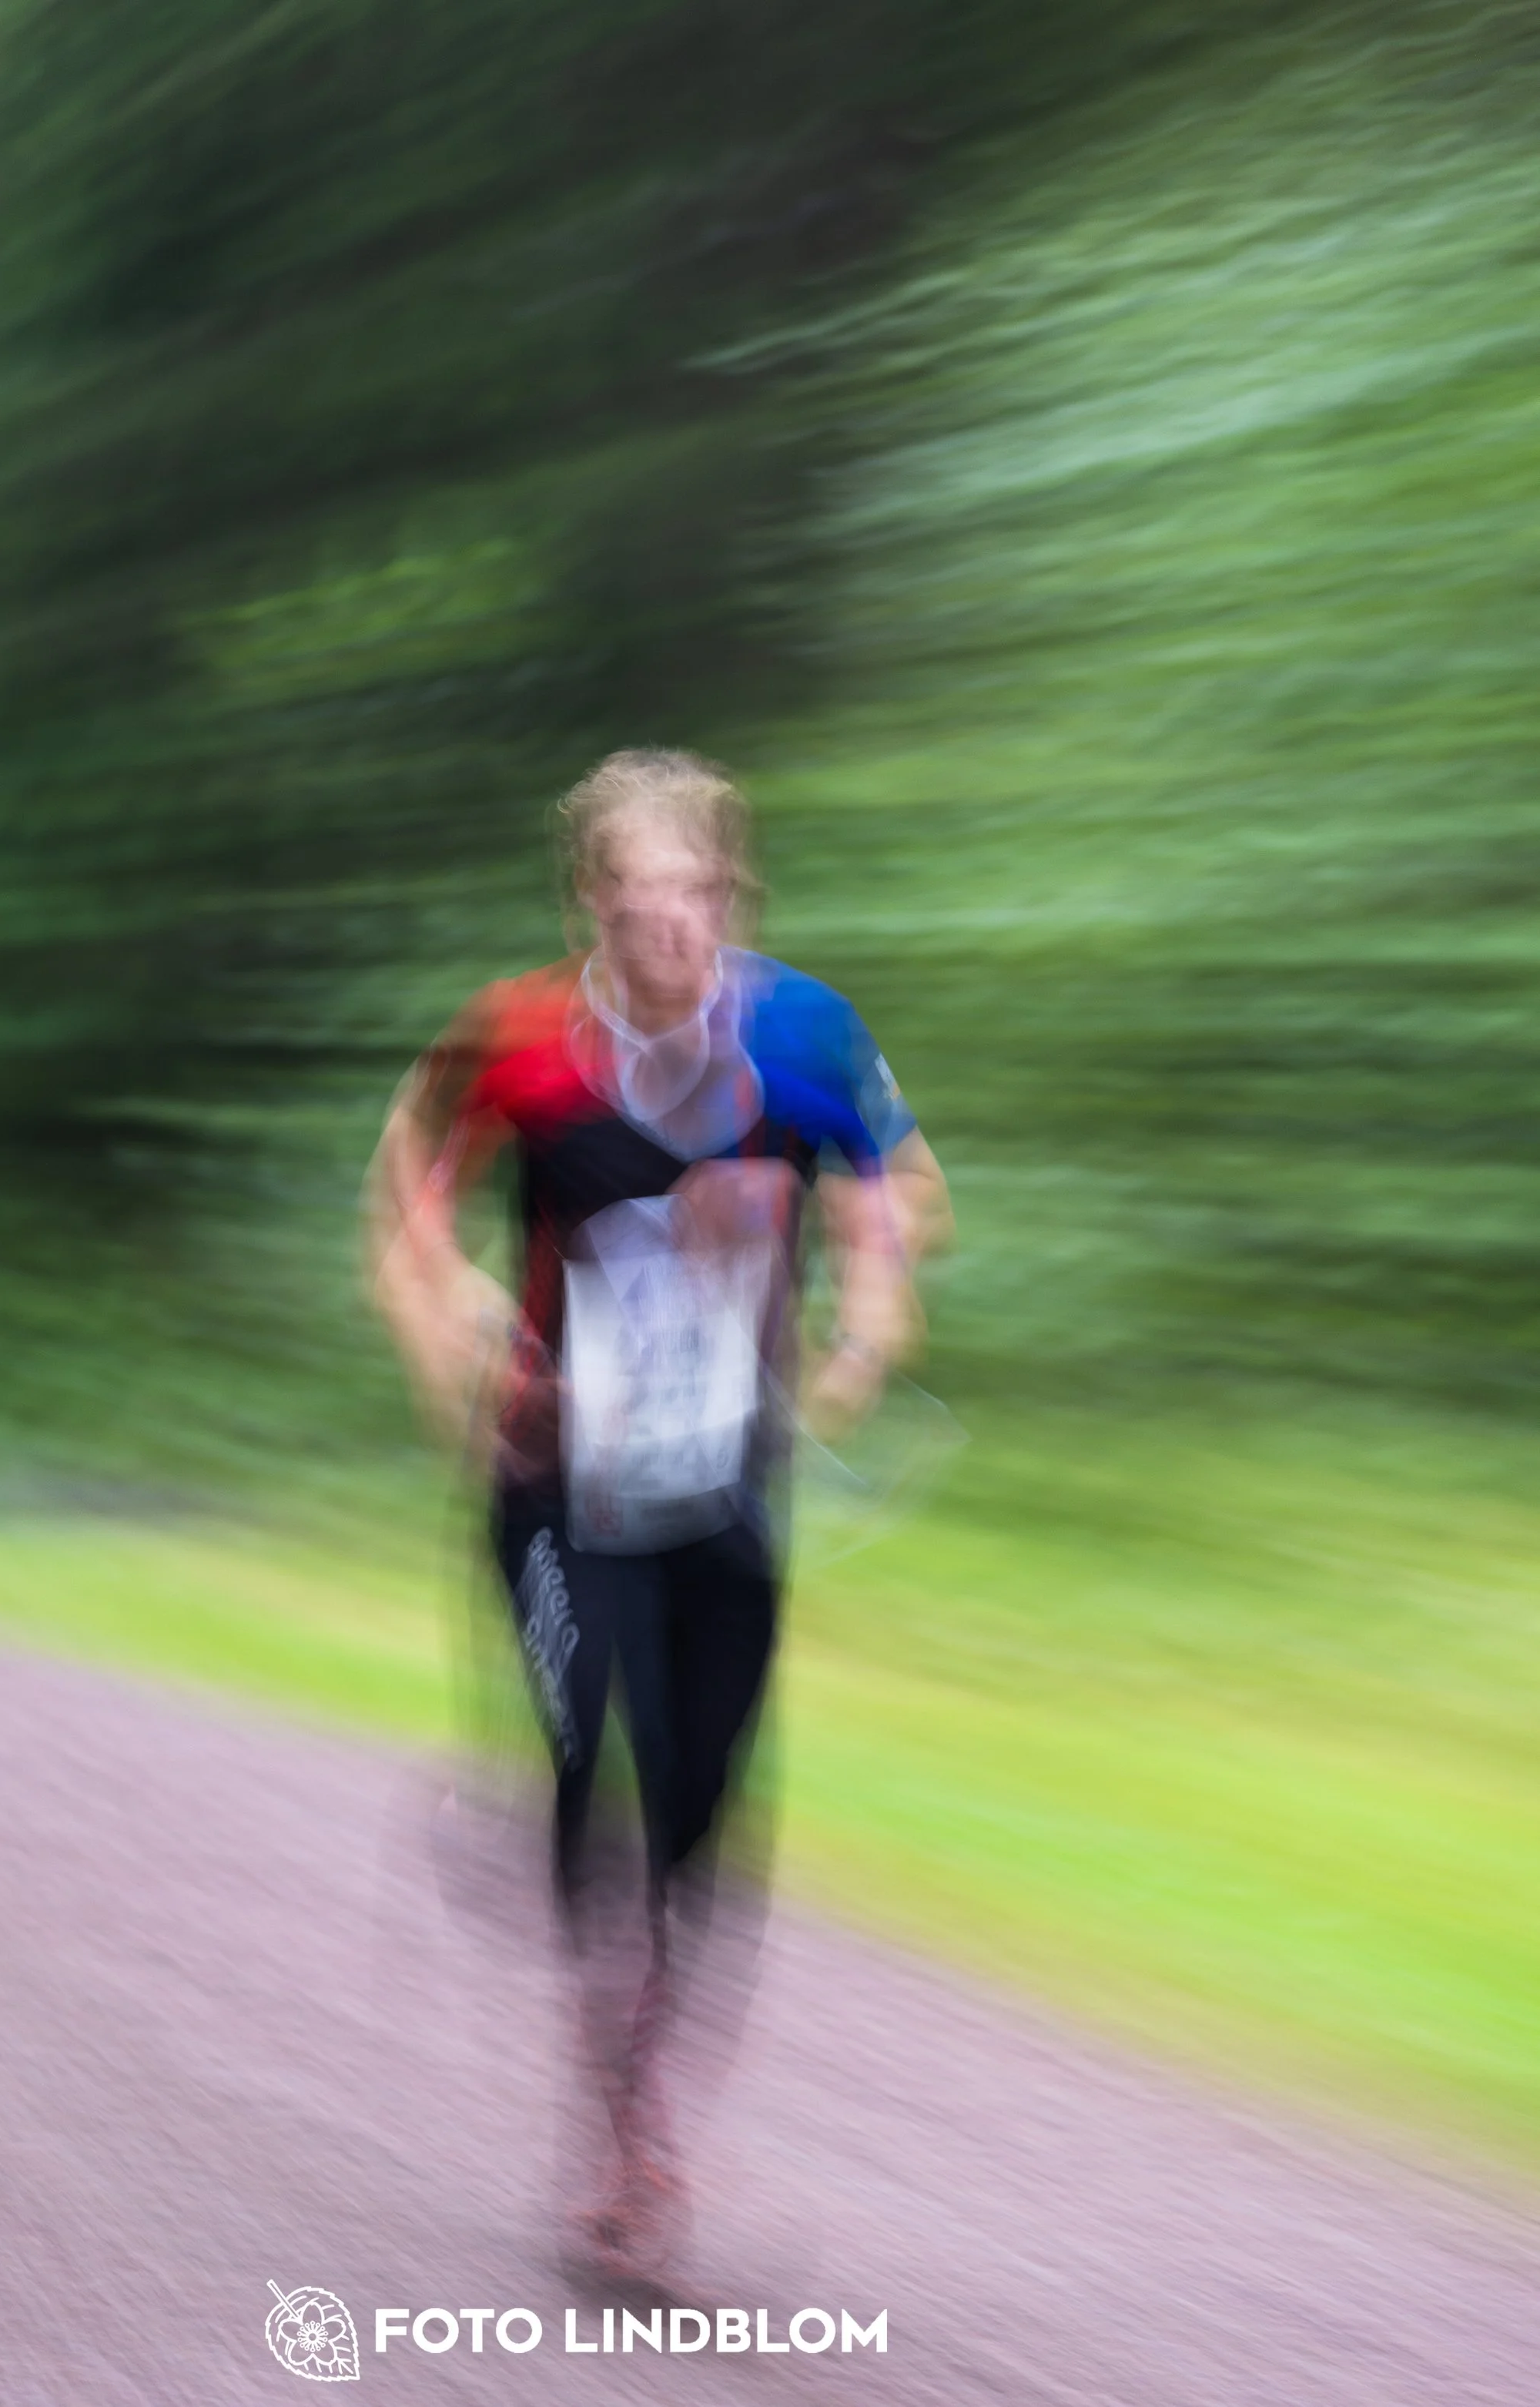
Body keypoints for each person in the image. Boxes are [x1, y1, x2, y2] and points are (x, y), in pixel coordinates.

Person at [367, 748, 948, 2275]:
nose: (668, 929)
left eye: (693, 897)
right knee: (585, 1760)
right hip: (554, 1478)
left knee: (700, 1812)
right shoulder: (515, 1043)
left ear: (729, 895)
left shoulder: (802, 1033)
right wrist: (449, 1333)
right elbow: (403, 1195)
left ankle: (641, 2064)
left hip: (719, 1481)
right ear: (590, 908)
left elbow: (905, 1189)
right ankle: (625, 2134)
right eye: (635, 905)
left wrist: (859, 1295)